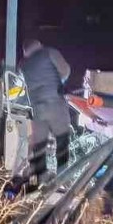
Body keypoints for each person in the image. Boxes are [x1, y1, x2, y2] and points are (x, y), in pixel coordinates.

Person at [18, 38, 73, 185]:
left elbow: (20, 87)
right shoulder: (49, 53)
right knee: (62, 141)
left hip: (37, 110)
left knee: (39, 145)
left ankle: (40, 178)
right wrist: (59, 83)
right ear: (39, 45)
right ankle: (62, 178)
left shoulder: (23, 65)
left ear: (25, 52)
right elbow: (66, 70)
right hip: (55, 105)